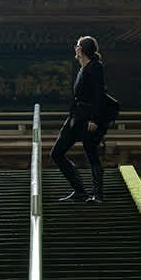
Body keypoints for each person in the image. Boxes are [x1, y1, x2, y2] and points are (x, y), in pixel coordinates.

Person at [50, 35, 107, 203]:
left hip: (88, 118)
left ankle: (98, 195)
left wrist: (95, 120)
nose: (75, 49)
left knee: (92, 154)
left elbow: (99, 95)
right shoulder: (83, 67)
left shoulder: (96, 67)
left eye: (77, 46)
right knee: (57, 153)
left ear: (80, 50)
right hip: (75, 117)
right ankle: (80, 190)